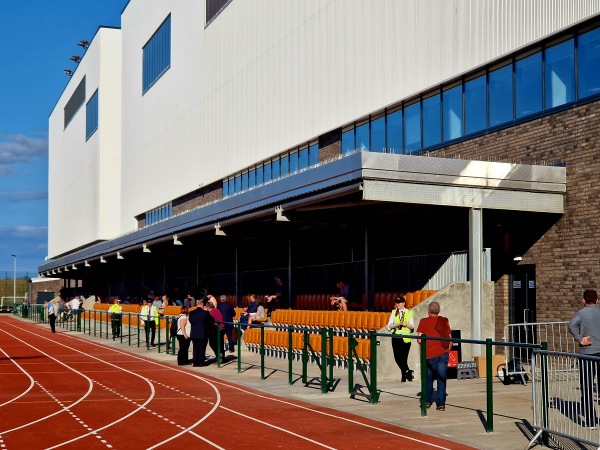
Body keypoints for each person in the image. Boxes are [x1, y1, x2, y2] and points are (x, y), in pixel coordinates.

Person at [568, 289, 600, 428]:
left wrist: (580, 339)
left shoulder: (581, 313)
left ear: (583, 300)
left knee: (586, 386)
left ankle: (591, 421)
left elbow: (571, 325)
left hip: (588, 352)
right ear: (597, 300)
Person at [417, 301, 452, 411]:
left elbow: (419, 340)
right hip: (443, 354)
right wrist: (447, 350)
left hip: (429, 355)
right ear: (439, 311)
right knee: (441, 379)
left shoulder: (423, 321)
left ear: (428, 311)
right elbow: (450, 338)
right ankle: (441, 405)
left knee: (428, 380)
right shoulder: (444, 321)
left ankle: (427, 401)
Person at [387, 296, 415, 382]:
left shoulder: (409, 312)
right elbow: (389, 326)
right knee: (397, 358)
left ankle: (404, 376)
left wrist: (405, 324)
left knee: (403, 357)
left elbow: (412, 325)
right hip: (396, 337)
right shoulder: (394, 312)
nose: (397, 304)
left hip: (406, 337)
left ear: (403, 303)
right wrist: (396, 324)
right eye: (396, 303)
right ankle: (407, 371)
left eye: (399, 303)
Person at [188, 301, 213, 367]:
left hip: (194, 332)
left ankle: (195, 362)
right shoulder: (206, 313)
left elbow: (190, 321)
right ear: (202, 305)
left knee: (195, 348)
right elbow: (211, 321)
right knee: (202, 348)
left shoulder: (191, 313)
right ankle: (201, 362)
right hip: (203, 332)